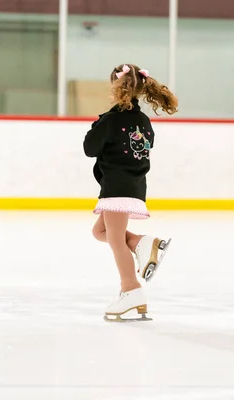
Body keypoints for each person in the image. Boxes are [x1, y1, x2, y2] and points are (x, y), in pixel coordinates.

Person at [83, 63, 179, 322]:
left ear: (116, 86)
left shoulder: (111, 119)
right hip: (134, 185)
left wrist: (98, 125)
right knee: (100, 232)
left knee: (114, 240)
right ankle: (141, 242)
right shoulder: (143, 120)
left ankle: (131, 289)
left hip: (115, 186)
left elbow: (90, 148)